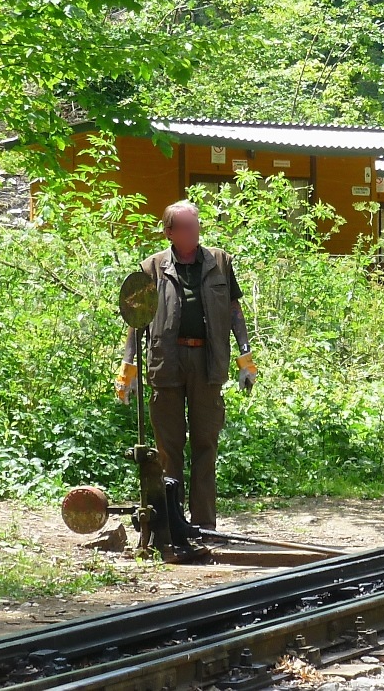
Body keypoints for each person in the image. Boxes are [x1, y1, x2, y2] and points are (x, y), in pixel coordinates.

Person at [114, 200, 258, 530]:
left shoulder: (219, 262)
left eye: (197, 225)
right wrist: (128, 366)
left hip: (208, 363)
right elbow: (137, 321)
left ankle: (205, 525)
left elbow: (235, 311)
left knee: (206, 444)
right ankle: (172, 525)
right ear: (170, 232)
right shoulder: (151, 268)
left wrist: (246, 358)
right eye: (189, 227)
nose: (196, 232)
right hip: (167, 363)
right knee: (169, 448)